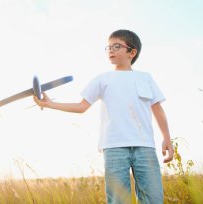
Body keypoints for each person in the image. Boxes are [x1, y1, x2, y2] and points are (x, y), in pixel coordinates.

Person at [33, 29, 174, 204]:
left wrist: (167, 138)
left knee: (153, 198)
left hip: (145, 146)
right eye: (108, 48)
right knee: (118, 200)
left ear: (132, 52)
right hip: (114, 147)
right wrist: (49, 104)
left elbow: (158, 109)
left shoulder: (145, 78)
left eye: (117, 46)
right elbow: (81, 106)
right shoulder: (103, 79)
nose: (111, 50)